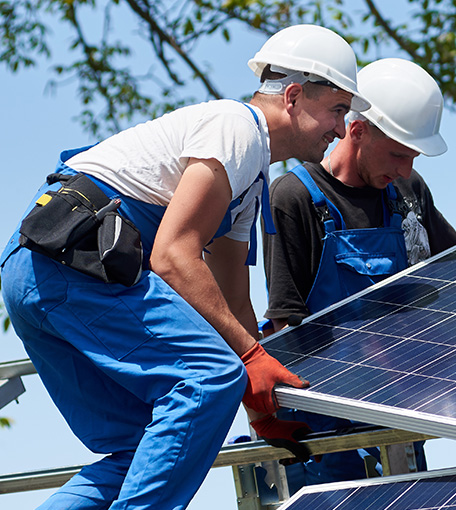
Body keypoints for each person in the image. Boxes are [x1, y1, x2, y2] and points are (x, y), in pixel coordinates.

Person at [0, 24, 369, 510]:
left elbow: (233, 301)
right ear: (294, 96)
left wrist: (256, 407)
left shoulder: (247, 182)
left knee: (144, 449)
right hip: (75, 270)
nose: (341, 129)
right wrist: (244, 365)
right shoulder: (236, 129)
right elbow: (173, 257)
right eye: (338, 109)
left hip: (37, 274)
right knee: (208, 376)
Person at [261, 58, 456, 489]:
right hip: (327, 432)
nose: (406, 170)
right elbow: (285, 325)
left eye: (413, 157)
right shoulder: (294, 197)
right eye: (397, 154)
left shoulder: (409, 192)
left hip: (400, 411)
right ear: (357, 131)